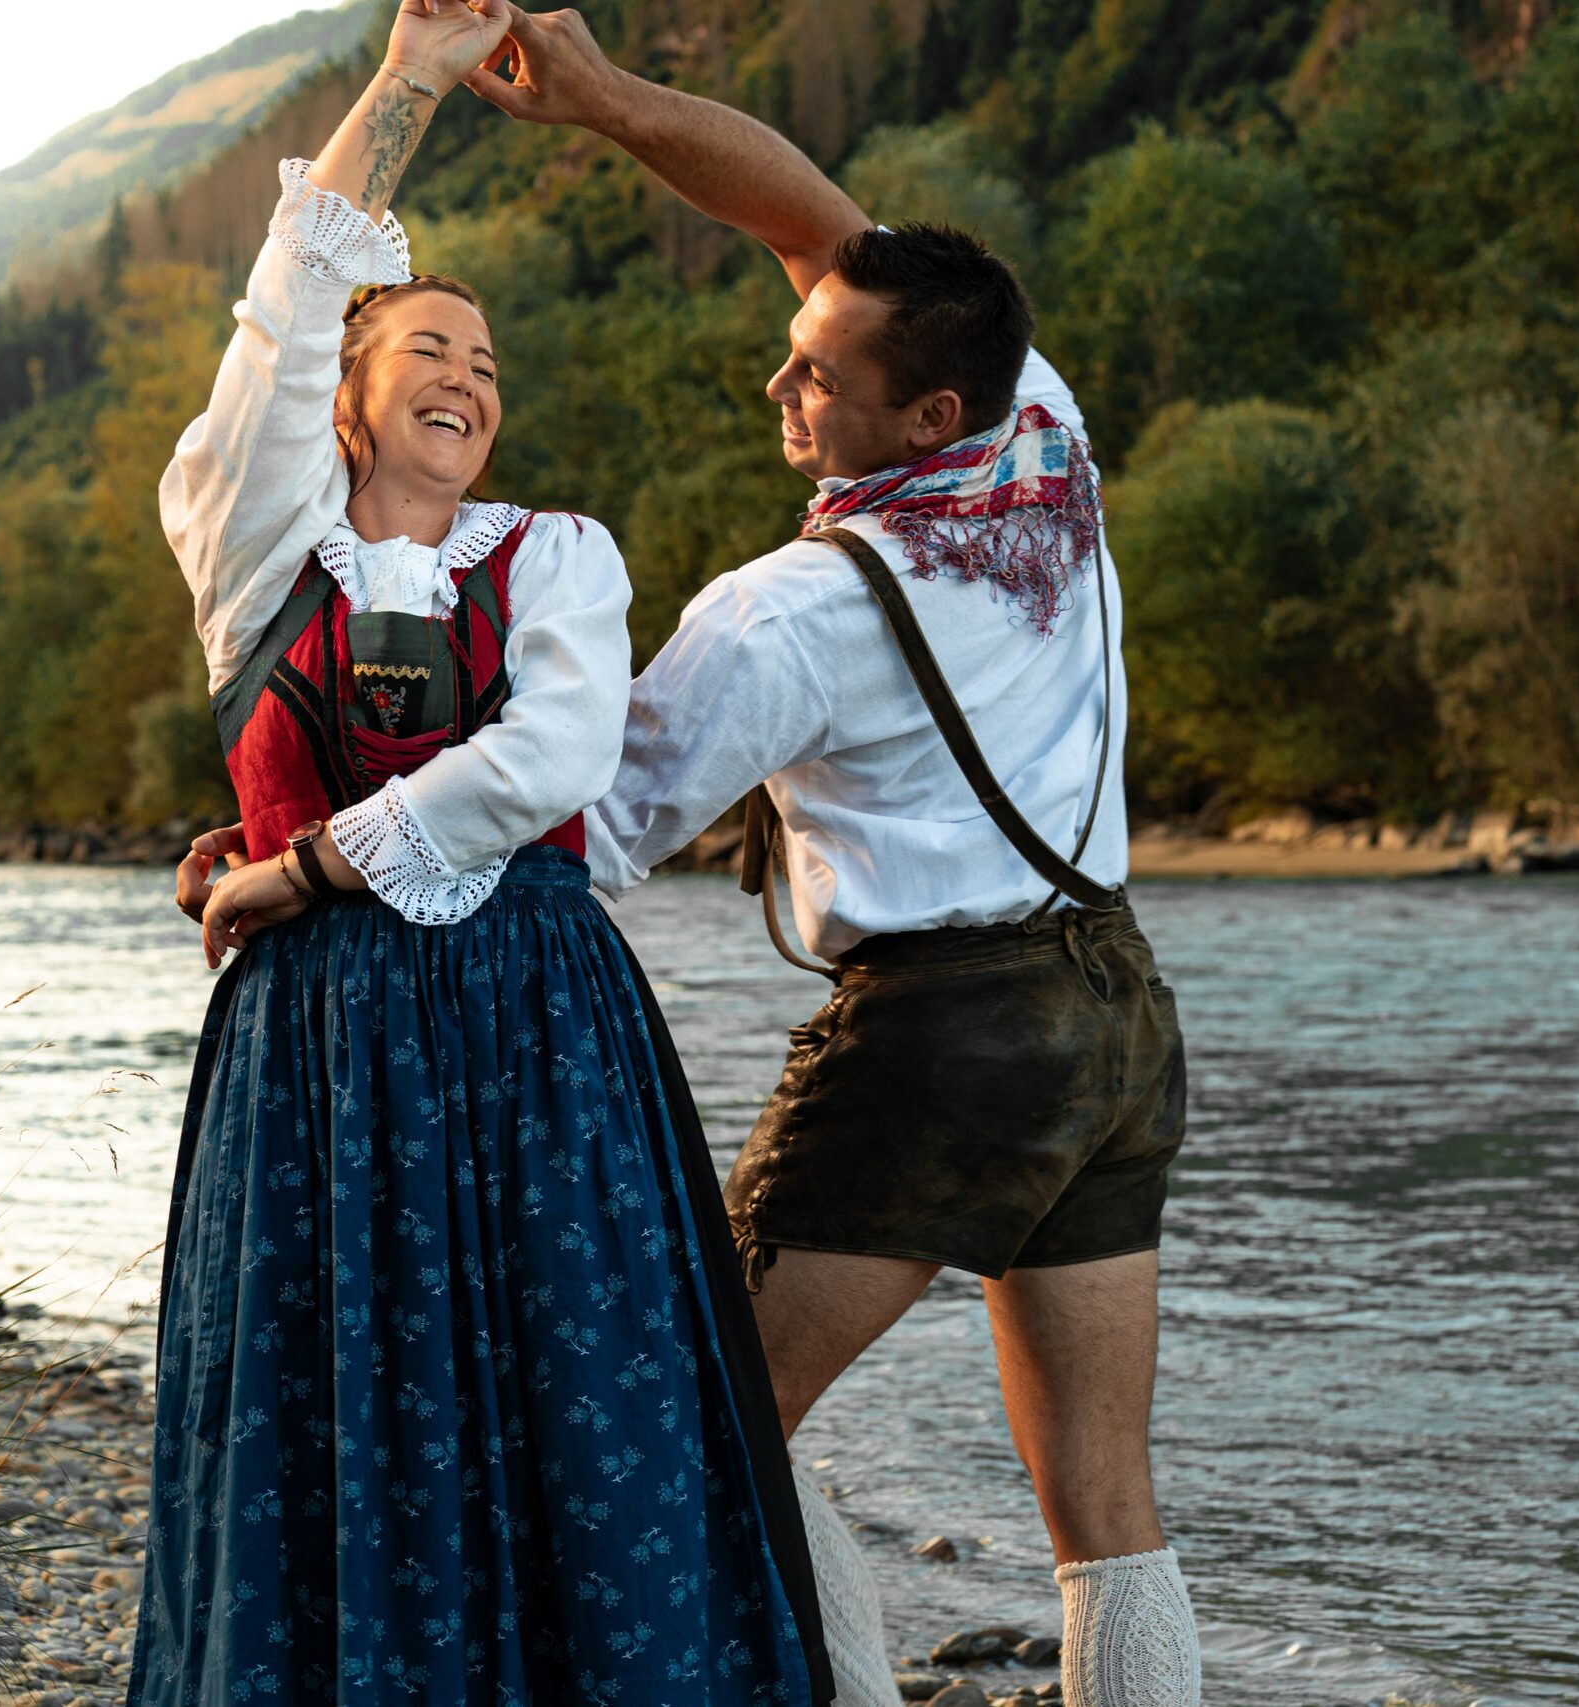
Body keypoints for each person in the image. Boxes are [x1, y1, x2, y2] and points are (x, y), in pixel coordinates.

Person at [464, 13, 1203, 1707]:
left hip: (940, 1031)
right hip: (1116, 1010)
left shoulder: (782, 612)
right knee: (1106, 1509)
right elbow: (809, 219)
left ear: (921, 403)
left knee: (711, 1413)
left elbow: (581, 828)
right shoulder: (1044, 439)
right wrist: (605, 100)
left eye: (816, 375)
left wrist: (347, 831)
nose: (779, 383)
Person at [134, 3, 832, 1701]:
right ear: (346, 404)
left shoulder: (564, 561)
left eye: (490, 361)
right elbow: (288, 303)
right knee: (328, 1399)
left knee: (581, 1390)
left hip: (536, 1023)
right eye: (428, 347)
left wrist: (297, 868)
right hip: (323, 1050)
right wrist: (414, 73)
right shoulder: (247, 544)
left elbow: (553, 760)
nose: (467, 375)